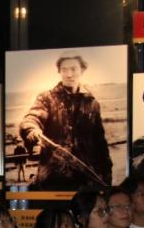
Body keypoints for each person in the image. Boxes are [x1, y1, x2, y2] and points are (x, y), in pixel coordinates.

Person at [18, 52, 112, 189]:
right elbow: (32, 117)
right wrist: (32, 129)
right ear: (59, 71)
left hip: (85, 181)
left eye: (73, 69)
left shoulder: (92, 103)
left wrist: (106, 174)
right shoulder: (47, 98)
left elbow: (100, 143)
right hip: (53, 178)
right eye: (64, 70)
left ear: (82, 70)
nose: (69, 74)